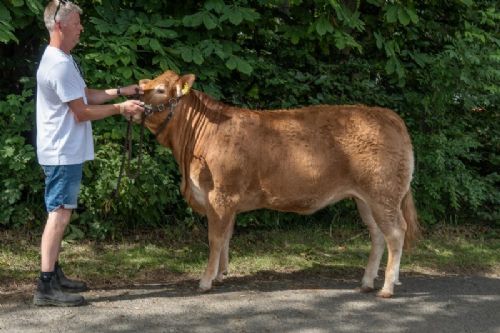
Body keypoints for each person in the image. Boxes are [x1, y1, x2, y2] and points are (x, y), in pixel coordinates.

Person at [34, 0, 144, 306]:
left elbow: (85, 95)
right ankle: (45, 287)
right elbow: (81, 112)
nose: (81, 27)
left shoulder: (62, 60)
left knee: (60, 213)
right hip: (61, 152)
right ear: (59, 26)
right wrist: (121, 109)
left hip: (63, 150)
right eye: (77, 23)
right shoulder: (58, 64)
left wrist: (122, 91)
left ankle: (54, 274)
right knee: (59, 215)